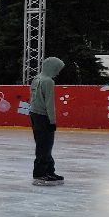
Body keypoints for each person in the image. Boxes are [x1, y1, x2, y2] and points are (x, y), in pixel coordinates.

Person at [29, 56, 65, 185]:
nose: (58, 72)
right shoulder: (48, 81)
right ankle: (40, 174)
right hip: (43, 116)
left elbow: (32, 98)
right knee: (45, 145)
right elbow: (49, 103)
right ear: (52, 67)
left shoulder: (36, 78)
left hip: (34, 114)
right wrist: (52, 121)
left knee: (43, 145)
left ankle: (49, 171)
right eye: (57, 69)